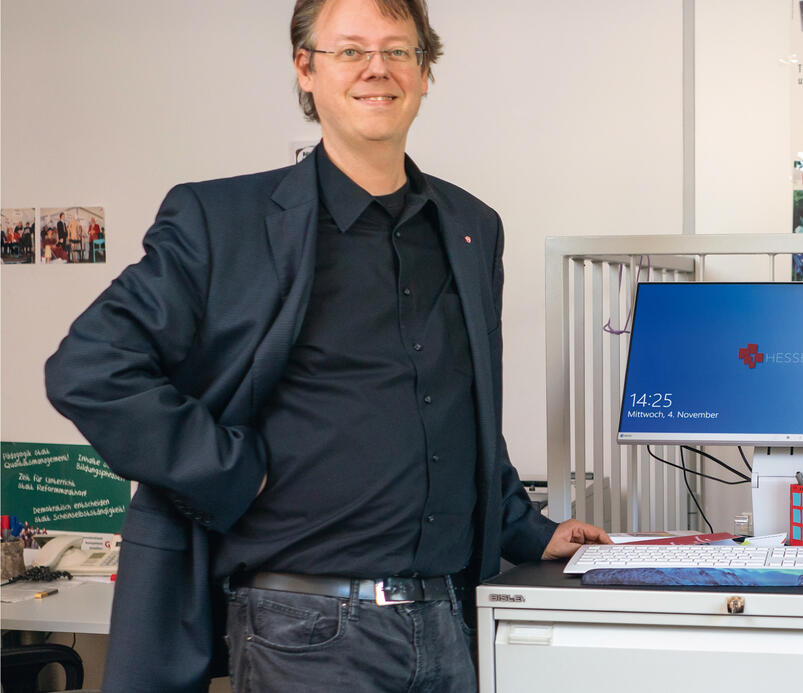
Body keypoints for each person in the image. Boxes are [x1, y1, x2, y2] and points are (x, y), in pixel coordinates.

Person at [44, 1, 609, 691]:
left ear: (424, 70)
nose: (378, 68)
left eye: (398, 50)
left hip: (444, 620)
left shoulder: (470, 226)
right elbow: (89, 367)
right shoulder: (223, 222)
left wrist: (525, 526)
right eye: (350, 51)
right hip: (304, 628)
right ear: (305, 69)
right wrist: (226, 470)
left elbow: (457, 408)